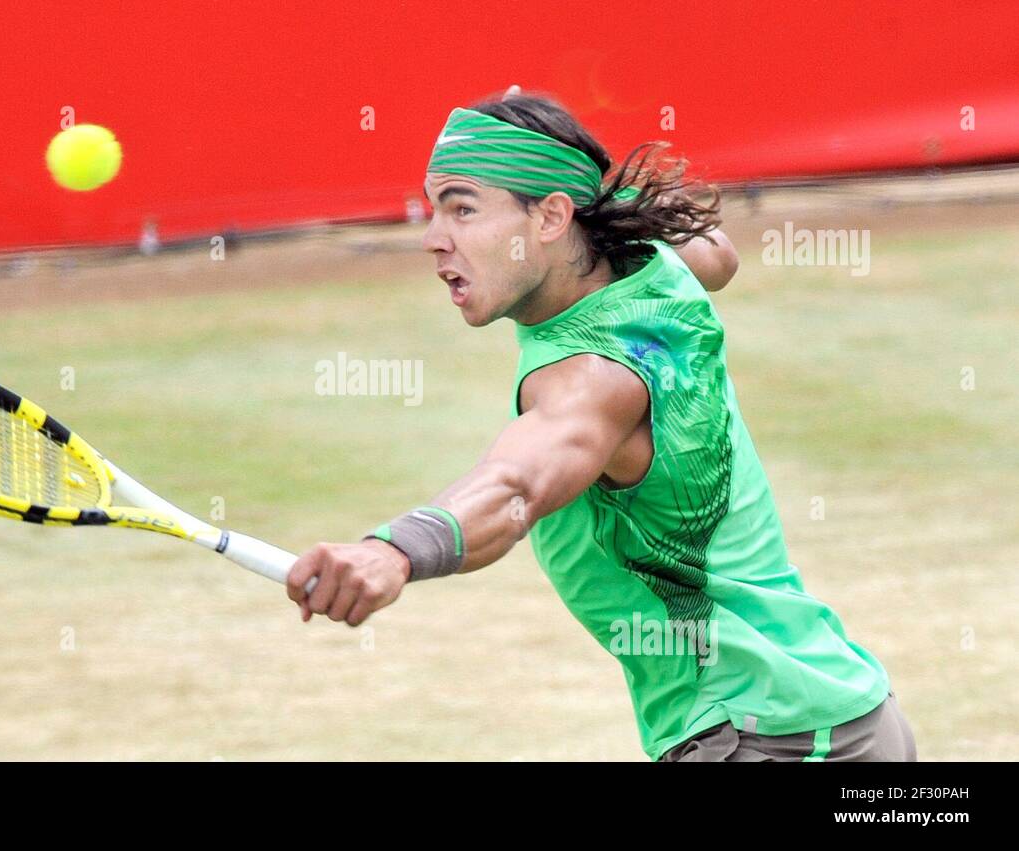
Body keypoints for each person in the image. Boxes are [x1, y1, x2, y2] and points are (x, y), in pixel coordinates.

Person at [286, 87, 915, 762]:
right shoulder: (658, 267)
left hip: (760, 736)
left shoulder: (593, 380)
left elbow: (513, 483)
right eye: (434, 206)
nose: (434, 237)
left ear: (553, 217)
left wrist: (394, 550)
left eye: (463, 208)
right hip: (846, 711)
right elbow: (718, 254)